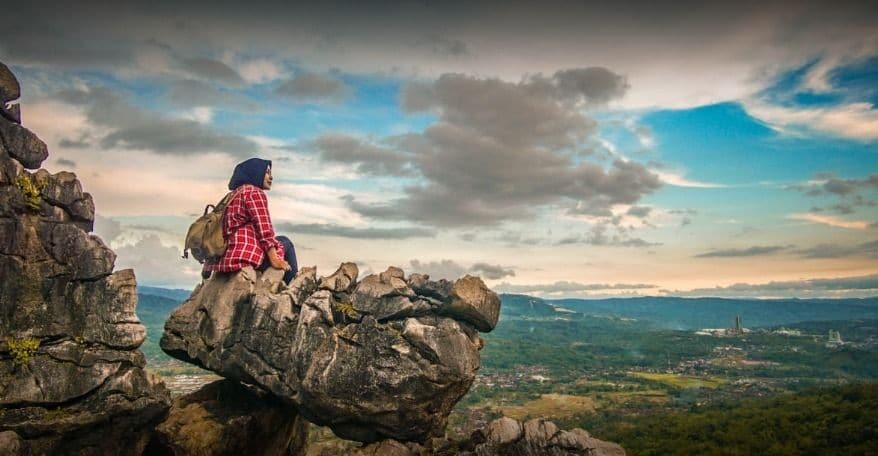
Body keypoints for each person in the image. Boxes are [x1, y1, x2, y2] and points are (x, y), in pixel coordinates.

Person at [203, 158, 298, 284]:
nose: (271, 177)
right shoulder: (254, 192)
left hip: (225, 257)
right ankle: (291, 287)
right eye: (267, 172)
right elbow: (264, 229)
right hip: (244, 256)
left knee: (280, 242)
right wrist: (275, 259)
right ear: (255, 172)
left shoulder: (232, 195)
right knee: (286, 242)